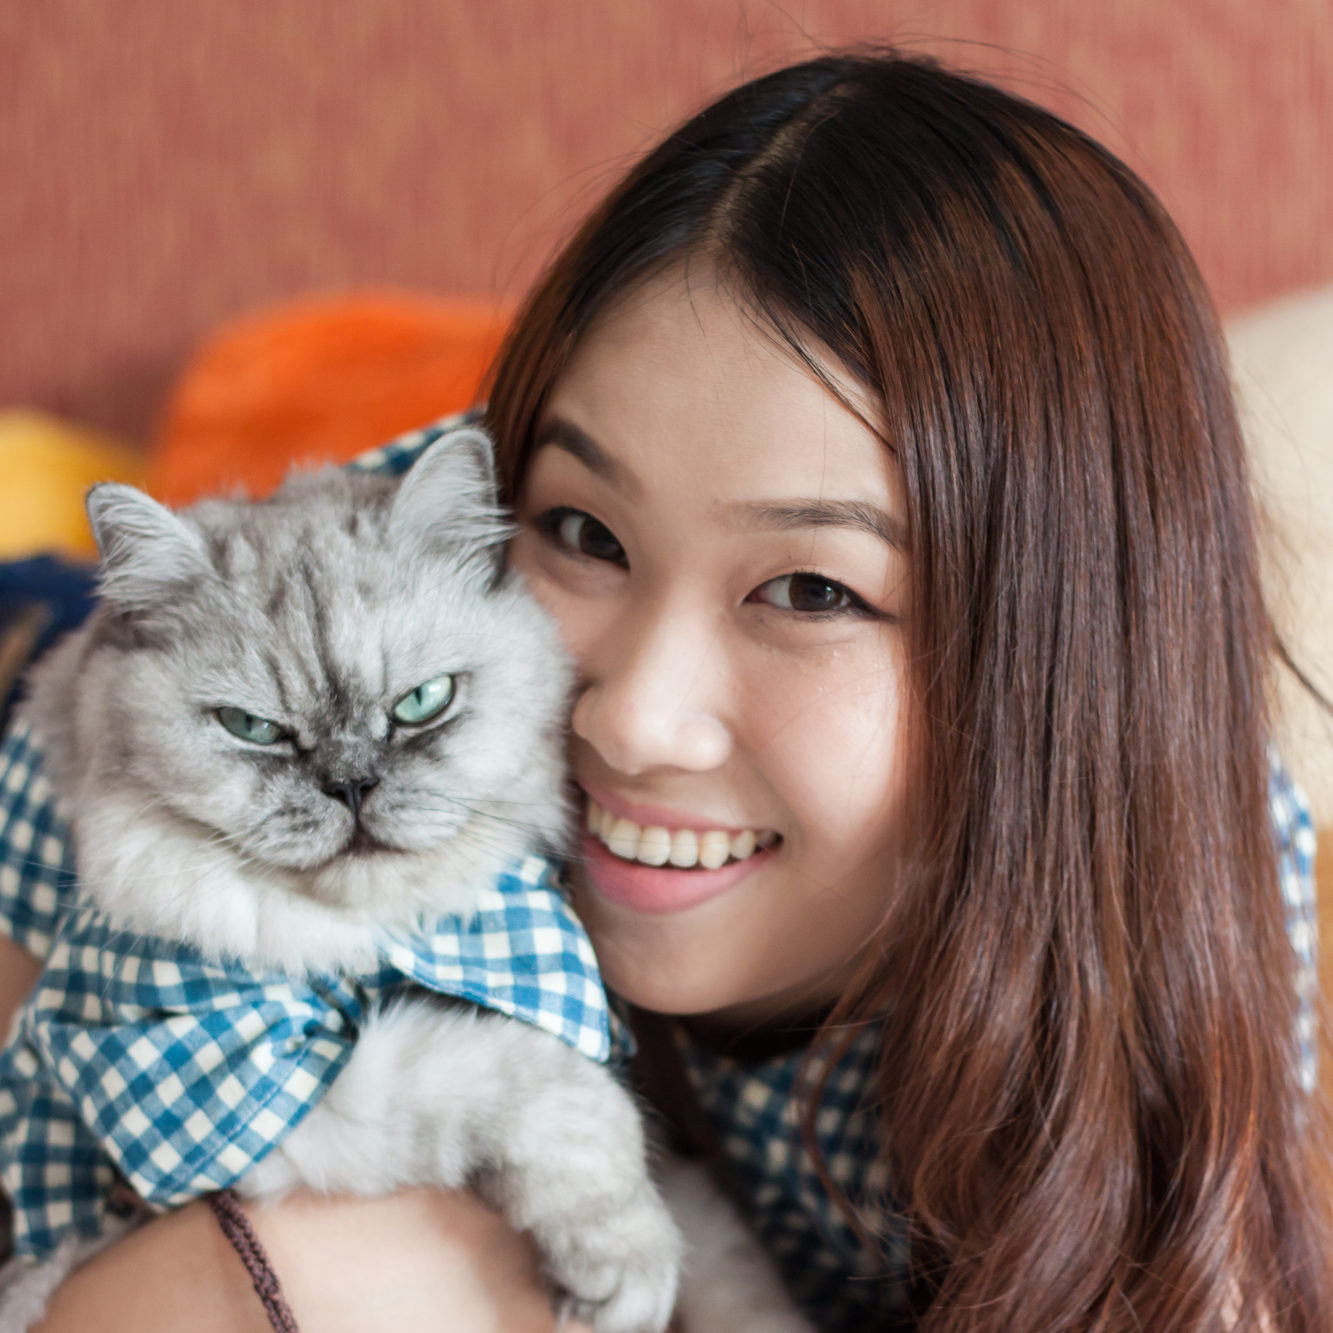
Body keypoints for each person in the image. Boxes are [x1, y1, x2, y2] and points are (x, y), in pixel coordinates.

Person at [1, 47, 1328, 1333]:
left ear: (1054, 675)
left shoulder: (1180, 903)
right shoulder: (350, 600)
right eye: (584, 531)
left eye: (811, 590)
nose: (630, 714)